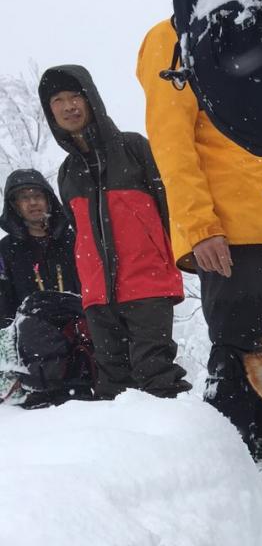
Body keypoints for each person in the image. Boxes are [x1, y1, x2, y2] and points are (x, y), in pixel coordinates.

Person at [137, 19, 262, 461]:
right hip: (226, 228)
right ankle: (225, 463)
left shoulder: (258, 32)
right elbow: (172, 143)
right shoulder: (174, 37)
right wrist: (200, 228)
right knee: (241, 348)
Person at [37, 65, 190, 399]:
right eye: (58, 101)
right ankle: (124, 452)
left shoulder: (135, 148)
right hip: (97, 294)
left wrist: (176, 257)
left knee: (156, 375)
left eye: (75, 96)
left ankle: (181, 448)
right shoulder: (66, 173)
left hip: (147, 282)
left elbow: (170, 208)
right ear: (51, 113)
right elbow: (79, 232)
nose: (68, 106)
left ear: (91, 98)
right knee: (111, 384)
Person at [0, 168, 95, 406]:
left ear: (48, 199)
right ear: (14, 205)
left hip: (80, 333)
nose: (33, 202)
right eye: (24, 197)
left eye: (37, 195)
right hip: (32, 344)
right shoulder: (6, 249)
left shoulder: (73, 240)